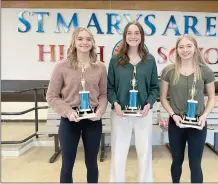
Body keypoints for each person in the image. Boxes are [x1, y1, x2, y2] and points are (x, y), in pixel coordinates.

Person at [46, 27, 108, 183]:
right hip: (70, 120)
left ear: (93, 43)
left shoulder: (100, 67)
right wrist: (67, 111)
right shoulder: (61, 66)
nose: (84, 42)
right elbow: (52, 96)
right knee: (67, 164)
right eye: (80, 39)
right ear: (73, 42)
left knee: (92, 164)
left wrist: (100, 110)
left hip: (93, 120)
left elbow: (103, 94)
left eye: (88, 39)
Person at [107, 21, 159, 182]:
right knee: (118, 152)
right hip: (120, 114)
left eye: (137, 33)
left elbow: (154, 88)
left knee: (144, 153)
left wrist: (149, 104)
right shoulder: (115, 60)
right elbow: (110, 88)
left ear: (142, 36)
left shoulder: (149, 60)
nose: (133, 36)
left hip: (143, 114)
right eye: (129, 33)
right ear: (125, 36)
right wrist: (115, 103)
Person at [160, 34, 215, 183]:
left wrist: (204, 116)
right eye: (181, 47)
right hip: (176, 123)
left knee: (195, 164)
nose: (185, 50)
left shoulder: (205, 71)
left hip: (198, 124)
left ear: (195, 48)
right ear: (176, 50)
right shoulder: (168, 71)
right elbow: (164, 98)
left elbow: (212, 98)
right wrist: (172, 115)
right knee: (176, 161)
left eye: (189, 46)